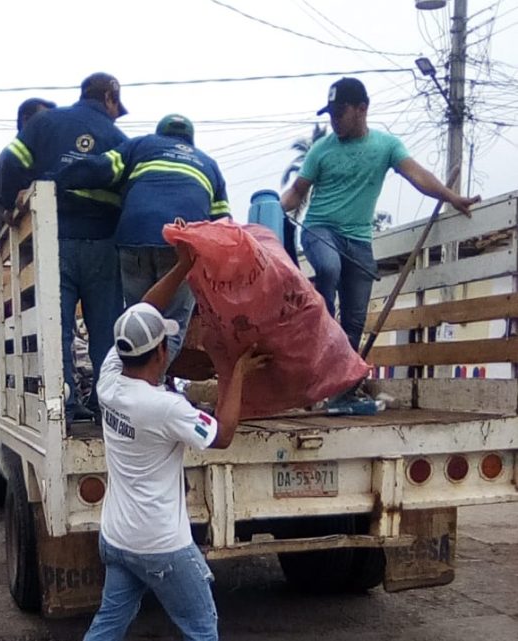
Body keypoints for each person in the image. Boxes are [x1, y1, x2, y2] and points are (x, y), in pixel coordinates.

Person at [83, 244, 269, 641]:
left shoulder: (109, 377)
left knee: (108, 625)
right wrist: (235, 373)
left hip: (117, 539)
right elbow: (222, 436)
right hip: (160, 547)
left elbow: (142, 312)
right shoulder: (164, 407)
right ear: (162, 352)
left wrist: (183, 266)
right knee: (202, 629)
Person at [280, 77, 480, 350]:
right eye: (331, 115)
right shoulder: (320, 150)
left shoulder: (386, 146)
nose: (335, 120)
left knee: (354, 322)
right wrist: (271, 208)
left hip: (359, 241)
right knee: (328, 267)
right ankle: (320, 324)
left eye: (340, 113)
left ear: (361, 109)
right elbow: (296, 192)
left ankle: (344, 388)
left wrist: (452, 197)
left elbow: (418, 175)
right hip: (320, 230)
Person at [0, 72, 129, 424]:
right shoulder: (119, 138)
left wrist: (10, 204)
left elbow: (9, 162)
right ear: (109, 99)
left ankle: (66, 404)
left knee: (58, 330)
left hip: (54, 240)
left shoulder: (45, 124)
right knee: (106, 329)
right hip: (104, 244)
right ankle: (108, 407)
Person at [56, 114, 231, 365]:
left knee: (139, 323)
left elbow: (101, 169)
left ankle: (134, 387)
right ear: (190, 140)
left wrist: (57, 178)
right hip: (181, 247)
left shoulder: (142, 145)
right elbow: (222, 223)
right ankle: (151, 388)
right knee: (170, 326)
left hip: (134, 237)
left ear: (160, 133)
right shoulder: (209, 164)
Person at [0, 97, 57, 238]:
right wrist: (5, 228)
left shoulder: (30, 153)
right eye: (44, 119)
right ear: (26, 120)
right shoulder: (13, 158)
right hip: (25, 241)